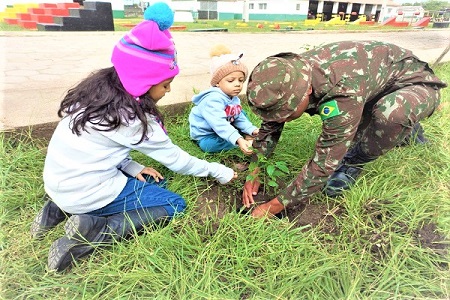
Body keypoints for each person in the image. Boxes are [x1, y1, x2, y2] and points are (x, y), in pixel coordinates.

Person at [30, 2, 237, 272]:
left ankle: (56, 209)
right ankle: (96, 228)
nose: (169, 91)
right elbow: (177, 160)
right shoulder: (133, 119)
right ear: (142, 83)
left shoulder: (94, 96)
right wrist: (219, 171)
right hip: (85, 191)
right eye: (165, 84)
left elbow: (100, 148)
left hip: (60, 183)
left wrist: (132, 166)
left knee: (150, 178)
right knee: (173, 203)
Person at [242, 40, 447, 218]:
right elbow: (271, 123)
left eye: (286, 112)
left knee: (391, 115)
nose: (281, 119)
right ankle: (403, 128)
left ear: (308, 91)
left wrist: (273, 206)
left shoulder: (342, 91)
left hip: (416, 85)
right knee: (380, 115)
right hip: (375, 87)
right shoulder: (288, 74)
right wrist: (255, 170)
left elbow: (325, 161)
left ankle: (358, 159)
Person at [189, 44, 259, 154]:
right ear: (217, 82)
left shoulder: (233, 97)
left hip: (225, 124)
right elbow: (219, 124)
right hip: (208, 134)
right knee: (209, 146)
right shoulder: (212, 100)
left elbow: (238, 117)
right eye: (231, 81)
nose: (237, 85)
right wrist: (239, 140)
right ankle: (241, 142)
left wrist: (252, 129)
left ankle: (247, 134)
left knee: (241, 113)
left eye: (241, 80)